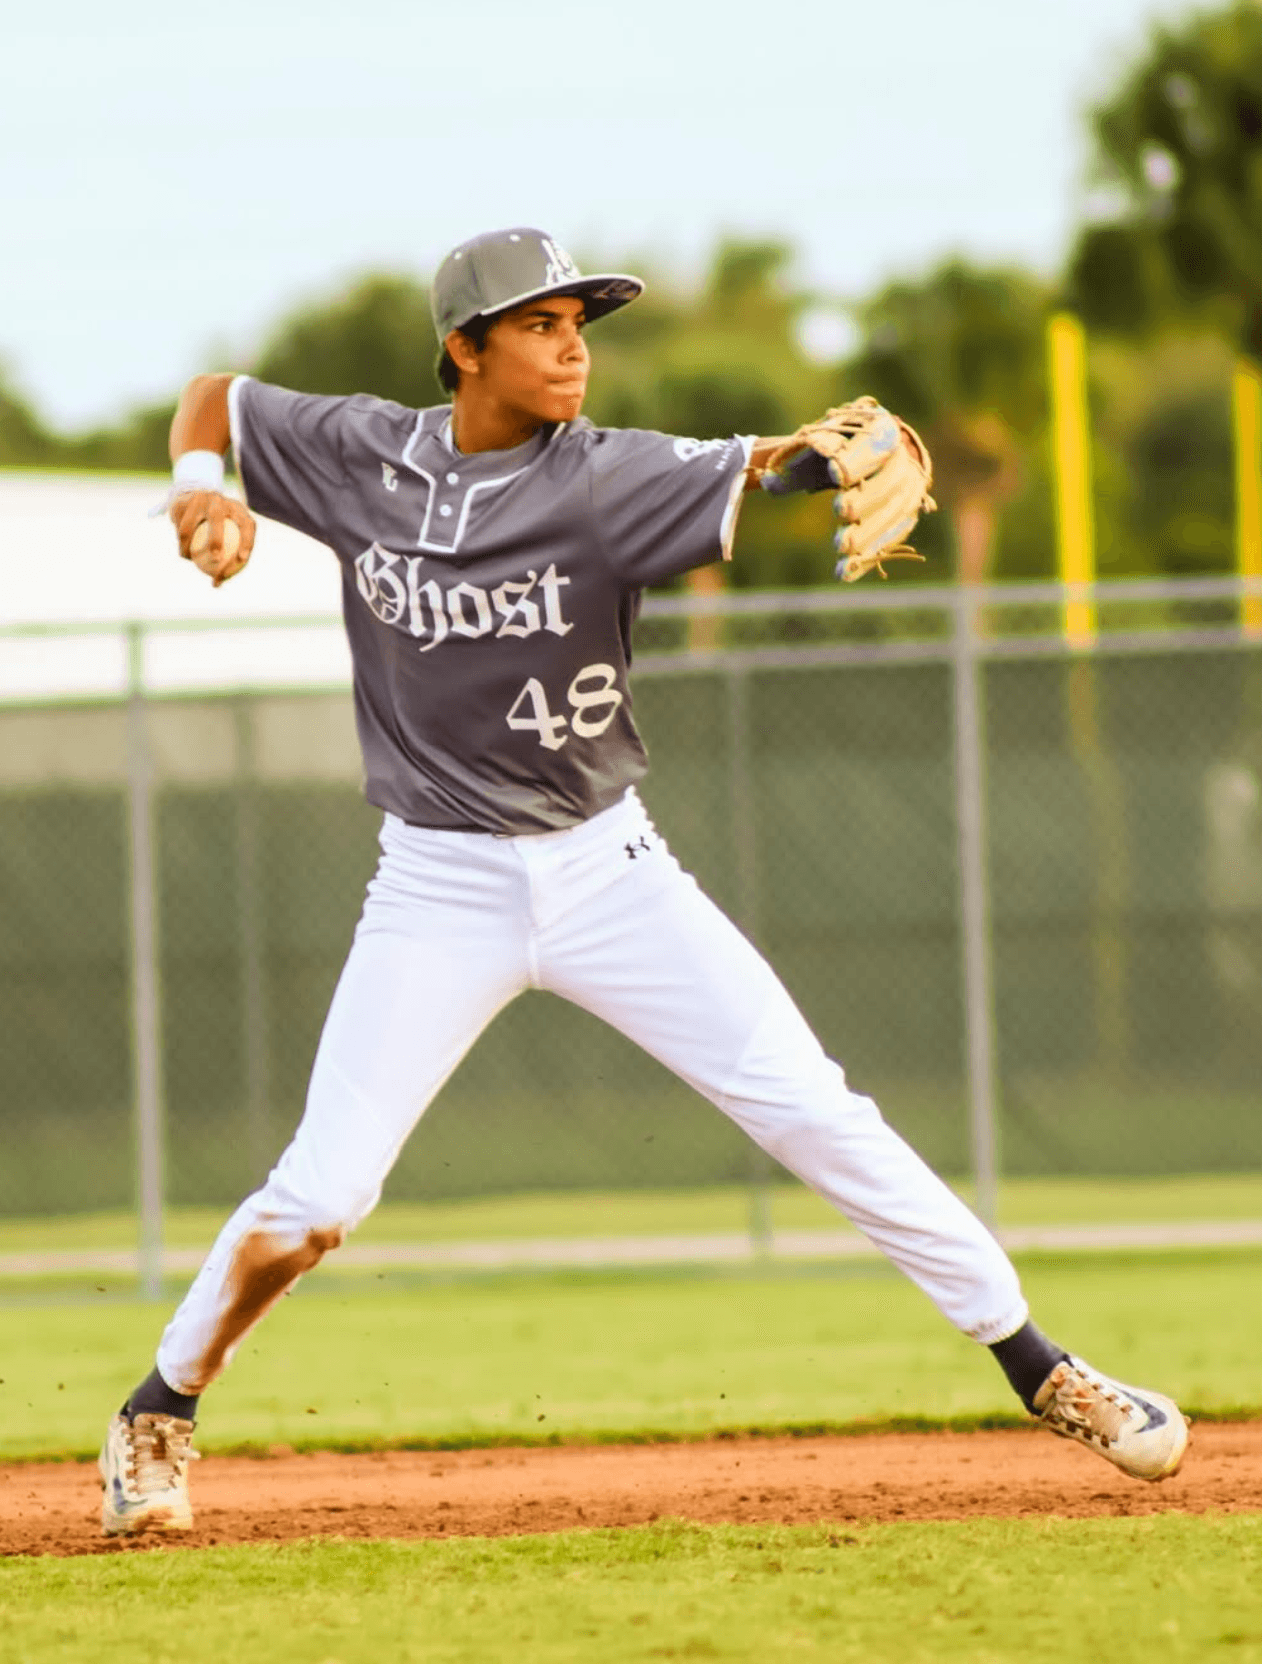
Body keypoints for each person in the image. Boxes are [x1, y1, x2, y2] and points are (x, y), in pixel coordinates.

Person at [98, 228, 1188, 1537]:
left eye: (581, 322)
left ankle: (1042, 1369)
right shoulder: (363, 454)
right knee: (323, 1196)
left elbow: (768, 462)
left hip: (609, 871)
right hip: (435, 885)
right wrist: (202, 481)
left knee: (814, 1112)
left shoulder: (608, 476)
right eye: (542, 324)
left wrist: (852, 445)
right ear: (465, 348)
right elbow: (216, 397)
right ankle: (158, 1410)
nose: (574, 347)